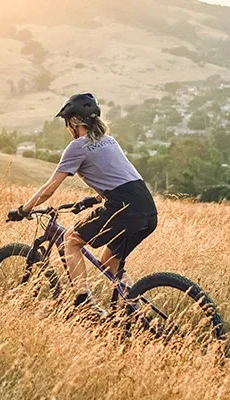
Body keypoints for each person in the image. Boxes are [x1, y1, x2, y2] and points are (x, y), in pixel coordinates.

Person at [8, 93, 159, 307]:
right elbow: (122, 180)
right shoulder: (109, 140)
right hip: (147, 207)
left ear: (74, 123)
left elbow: (48, 189)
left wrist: (23, 210)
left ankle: (83, 302)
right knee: (109, 263)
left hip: (123, 208)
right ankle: (138, 312)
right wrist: (94, 199)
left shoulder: (77, 146)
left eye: (66, 123)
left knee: (71, 240)